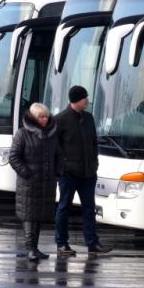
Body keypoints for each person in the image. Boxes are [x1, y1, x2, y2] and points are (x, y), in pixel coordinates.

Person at [53, 85, 110, 257]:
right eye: (85, 97)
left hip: (88, 173)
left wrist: (95, 163)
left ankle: (93, 244)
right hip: (68, 174)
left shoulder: (88, 118)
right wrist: (62, 166)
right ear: (77, 100)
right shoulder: (60, 119)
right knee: (64, 208)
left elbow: (93, 143)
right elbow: (54, 147)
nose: (88, 100)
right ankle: (62, 244)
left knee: (89, 209)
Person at [9, 102, 62, 261]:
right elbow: (13, 157)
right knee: (29, 216)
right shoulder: (22, 134)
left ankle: (35, 248)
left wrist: (57, 173)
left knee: (38, 216)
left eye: (46, 116)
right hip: (29, 183)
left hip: (46, 182)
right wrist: (27, 173)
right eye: (41, 117)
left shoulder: (51, 134)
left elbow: (59, 155)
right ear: (33, 117)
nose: (45, 119)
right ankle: (30, 249)